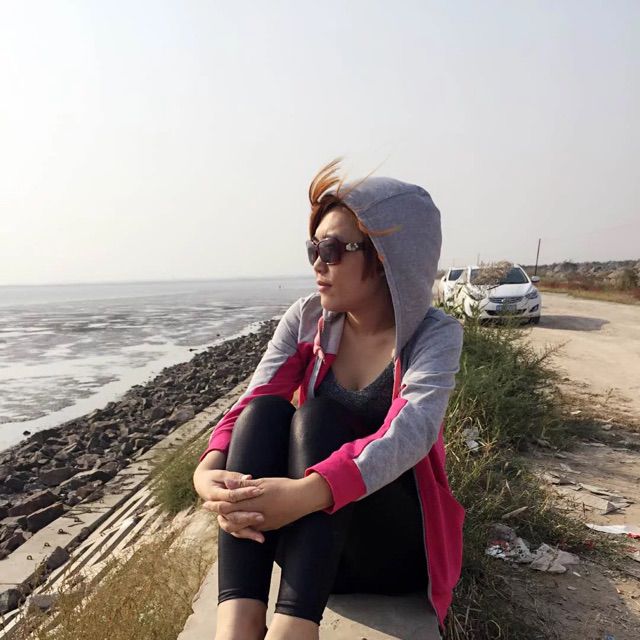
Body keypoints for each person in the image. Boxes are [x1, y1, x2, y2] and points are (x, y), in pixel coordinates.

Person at [192, 160, 465, 640]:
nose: (318, 264)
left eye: (333, 250)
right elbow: (255, 397)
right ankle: (238, 623)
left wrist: (306, 493)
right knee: (264, 413)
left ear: (386, 257)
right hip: (311, 547)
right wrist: (206, 472)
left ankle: (294, 630)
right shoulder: (307, 318)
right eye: (313, 249)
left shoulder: (433, 335)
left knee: (318, 419)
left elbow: (412, 433)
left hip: (390, 551)